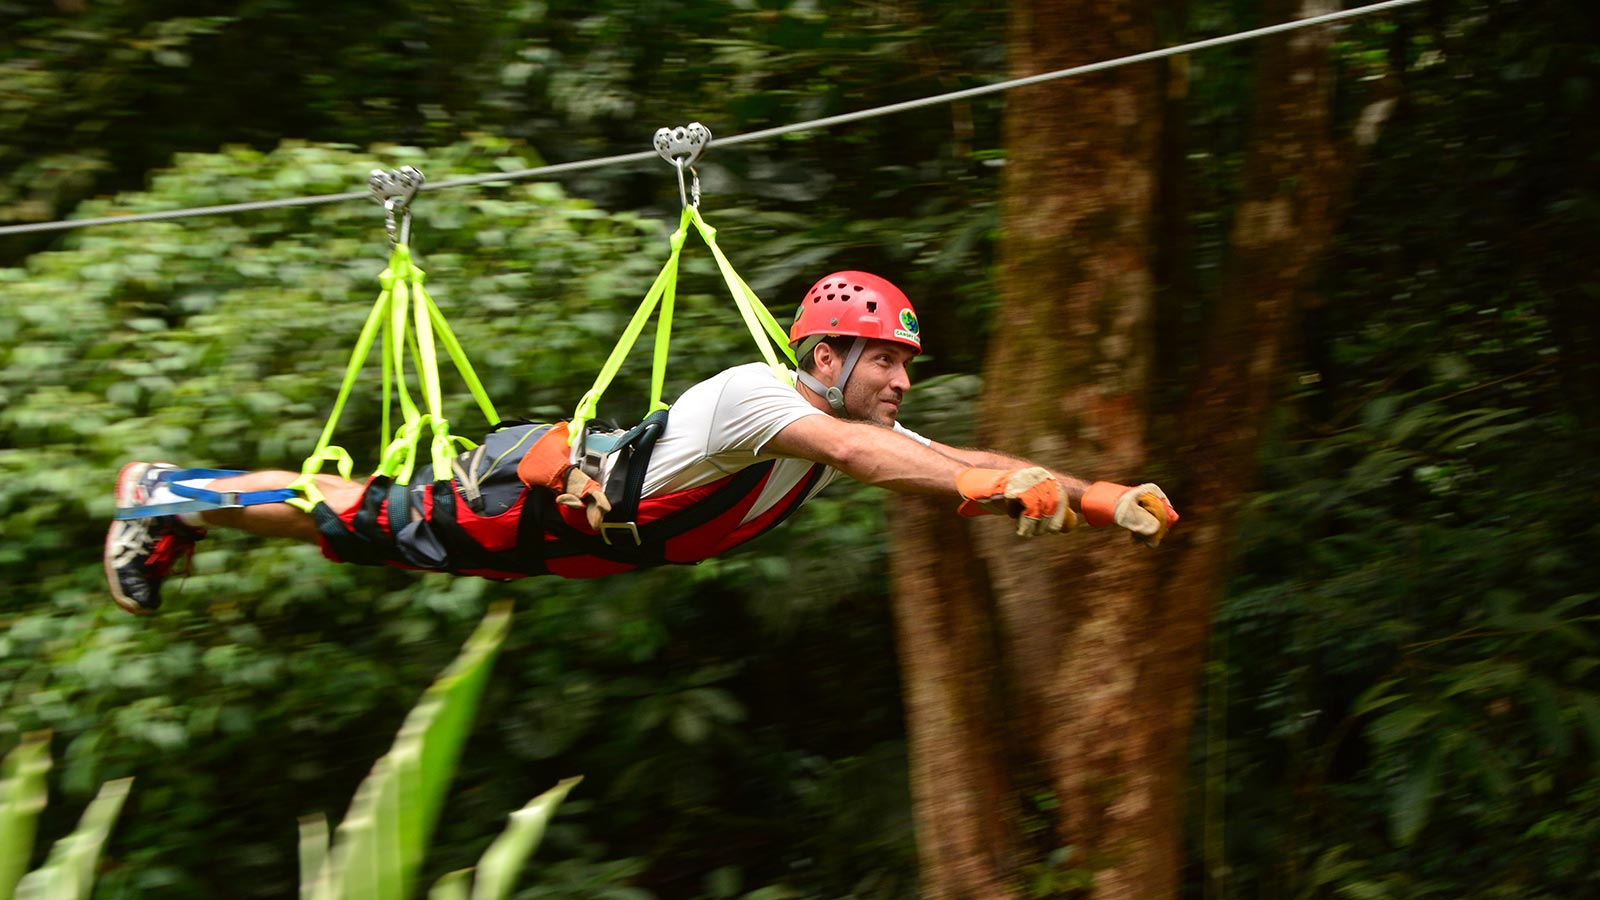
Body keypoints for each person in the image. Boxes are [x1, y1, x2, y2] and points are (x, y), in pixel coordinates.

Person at [104, 271, 1178, 614]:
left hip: (571, 547)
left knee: (360, 534)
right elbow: (882, 465)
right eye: (882, 361)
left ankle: (183, 510)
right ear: (823, 359)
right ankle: (164, 489)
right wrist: (993, 489)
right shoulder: (768, 400)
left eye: (904, 365)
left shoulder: (844, 420)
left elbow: (943, 462)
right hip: (525, 507)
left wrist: (1091, 498)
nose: (900, 381)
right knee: (357, 512)